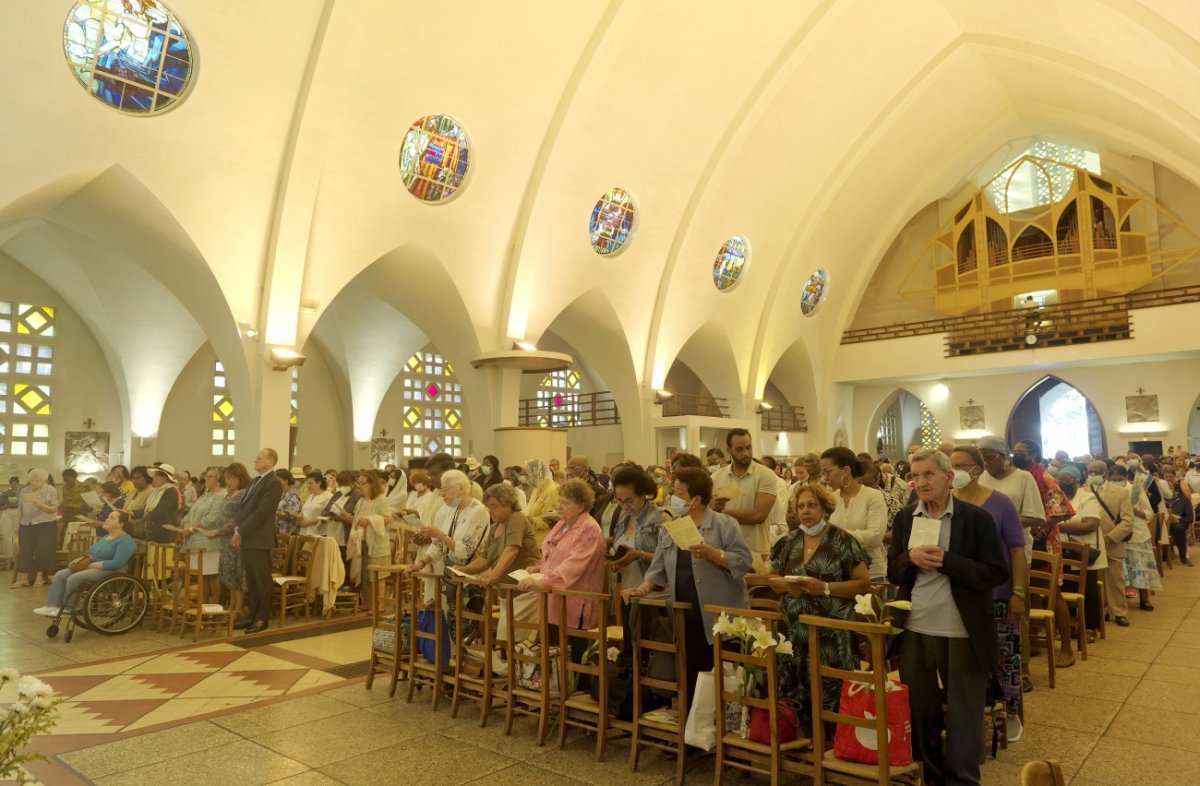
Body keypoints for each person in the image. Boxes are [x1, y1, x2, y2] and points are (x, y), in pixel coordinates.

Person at [888, 450, 1008, 786]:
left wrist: (947, 561)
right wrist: (910, 557)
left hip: (961, 627)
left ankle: (963, 779)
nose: (921, 482)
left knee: (963, 711)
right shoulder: (906, 518)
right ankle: (928, 774)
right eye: (916, 475)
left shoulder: (974, 519)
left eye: (929, 475)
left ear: (948, 478)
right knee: (921, 708)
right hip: (915, 626)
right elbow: (893, 572)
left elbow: (995, 573)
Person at [624, 468, 752, 704]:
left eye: (680, 493)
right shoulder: (672, 527)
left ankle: (724, 731)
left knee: (725, 679)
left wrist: (715, 555)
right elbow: (658, 569)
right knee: (692, 678)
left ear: (696, 499)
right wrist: (641, 589)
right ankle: (693, 733)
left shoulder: (725, 524)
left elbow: (744, 562)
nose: (674, 497)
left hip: (720, 617)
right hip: (686, 615)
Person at [766, 481, 870, 717]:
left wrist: (824, 587)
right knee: (793, 684)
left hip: (831, 631)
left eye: (811, 505)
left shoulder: (843, 540)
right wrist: (786, 586)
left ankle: (834, 738)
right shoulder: (788, 541)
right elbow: (771, 576)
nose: (805, 511)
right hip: (793, 629)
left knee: (832, 686)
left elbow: (863, 584)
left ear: (825, 508)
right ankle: (798, 735)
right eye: (800, 506)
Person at [950, 445, 1028, 742]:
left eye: (961, 465)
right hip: (957, 594)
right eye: (951, 464)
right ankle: (974, 712)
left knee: (1004, 655)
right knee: (965, 658)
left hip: (997, 591)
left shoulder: (1000, 503)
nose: (955, 470)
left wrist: (1017, 592)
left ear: (977, 469)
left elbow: (1016, 549)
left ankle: (1008, 712)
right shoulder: (944, 502)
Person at [517, 478, 607, 651]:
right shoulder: (562, 523)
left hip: (574, 601)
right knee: (553, 653)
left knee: (573, 655)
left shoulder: (588, 529)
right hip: (552, 598)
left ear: (580, 507)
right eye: (559, 501)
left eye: (564, 502)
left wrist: (544, 580)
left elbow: (573, 565)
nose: (558, 506)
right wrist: (538, 567)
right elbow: (552, 553)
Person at [33, 510, 135, 617]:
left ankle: (69, 608)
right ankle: (52, 606)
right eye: (108, 517)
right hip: (94, 568)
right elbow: (93, 554)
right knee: (60, 575)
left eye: (112, 518)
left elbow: (117, 563)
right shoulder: (106, 538)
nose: (106, 519)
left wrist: (90, 565)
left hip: (112, 572)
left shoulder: (126, 541)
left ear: (121, 524)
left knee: (75, 578)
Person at [232, 448, 284, 633]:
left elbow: (263, 512)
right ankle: (252, 616)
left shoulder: (274, 483)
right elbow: (244, 508)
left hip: (260, 539)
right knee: (251, 580)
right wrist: (238, 528)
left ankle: (262, 618)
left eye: (260, 458)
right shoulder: (255, 481)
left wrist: (242, 531)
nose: (255, 460)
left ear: (271, 461)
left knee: (262, 581)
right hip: (248, 538)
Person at [821, 447, 888, 582]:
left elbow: (875, 535)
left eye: (828, 472)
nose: (825, 478)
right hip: (838, 572)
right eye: (823, 473)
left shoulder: (873, 496)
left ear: (846, 470)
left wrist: (838, 538)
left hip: (871, 571)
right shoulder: (830, 499)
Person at [710, 428, 777, 562]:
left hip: (756, 551)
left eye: (749, 447)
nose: (746, 453)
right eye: (739, 449)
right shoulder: (716, 477)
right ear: (729, 451)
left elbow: (759, 515)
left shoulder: (765, 475)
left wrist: (721, 512)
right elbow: (710, 514)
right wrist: (713, 508)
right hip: (724, 550)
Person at [1056, 465, 1105, 637]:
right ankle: (1068, 626)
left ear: (1076, 481)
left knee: (1087, 590)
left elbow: (1090, 524)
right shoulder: (1055, 498)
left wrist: (1057, 526)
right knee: (1065, 587)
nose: (1062, 481)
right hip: (1061, 551)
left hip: (1085, 552)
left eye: (1067, 478)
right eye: (1060, 478)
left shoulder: (1087, 497)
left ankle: (1090, 627)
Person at [1084, 460, 1134, 626]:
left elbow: (1127, 521)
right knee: (1094, 579)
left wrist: (1111, 537)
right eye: (1089, 471)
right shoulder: (1082, 490)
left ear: (1104, 474)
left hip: (1112, 541)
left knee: (1115, 579)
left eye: (1095, 471)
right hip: (1090, 541)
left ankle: (1119, 612)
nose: (1092, 474)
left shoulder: (1120, 492)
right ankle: (1102, 610)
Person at [606, 466, 662, 594]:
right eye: (620, 501)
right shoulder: (623, 516)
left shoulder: (660, 518)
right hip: (626, 590)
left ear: (642, 495)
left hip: (651, 594)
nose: (624, 506)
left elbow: (670, 560)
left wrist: (640, 555)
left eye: (629, 500)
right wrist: (617, 563)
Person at [1113, 464, 1160, 611]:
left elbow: (1149, 513)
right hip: (1118, 533)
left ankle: (1144, 599)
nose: (1116, 481)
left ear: (1126, 478)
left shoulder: (1135, 489)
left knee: (1141, 565)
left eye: (1119, 479)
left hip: (1137, 533)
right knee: (1120, 569)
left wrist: (1135, 511)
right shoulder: (1109, 491)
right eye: (1113, 479)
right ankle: (1119, 600)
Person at [180, 467, 228, 605]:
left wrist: (190, 529)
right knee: (202, 576)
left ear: (219, 480)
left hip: (209, 542)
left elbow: (211, 519)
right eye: (206, 476)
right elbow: (190, 514)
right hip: (195, 541)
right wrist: (185, 527)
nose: (206, 478)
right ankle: (204, 607)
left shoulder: (221, 495)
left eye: (211, 476)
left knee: (212, 576)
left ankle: (215, 606)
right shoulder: (205, 494)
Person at [213, 463, 251, 623]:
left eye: (232, 478)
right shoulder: (230, 494)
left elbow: (237, 519)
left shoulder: (244, 494)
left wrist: (218, 531)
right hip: (224, 541)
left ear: (240, 477)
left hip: (235, 539)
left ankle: (239, 608)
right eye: (227, 478)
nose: (228, 481)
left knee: (237, 574)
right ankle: (232, 606)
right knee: (228, 574)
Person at [12, 469, 60, 588]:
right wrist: (17, 525)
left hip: (45, 524)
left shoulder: (51, 490)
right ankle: (24, 579)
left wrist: (41, 505)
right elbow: (20, 510)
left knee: (43, 551)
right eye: (32, 480)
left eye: (37, 480)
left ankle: (40, 577)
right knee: (25, 551)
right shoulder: (24, 490)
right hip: (26, 524)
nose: (34, 482)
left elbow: (54, 509)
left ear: (44, 480)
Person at [1162, 467, 1195, 565]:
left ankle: (1183, 557)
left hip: (1179, 523)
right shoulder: (1161, 499)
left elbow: (1189, 517)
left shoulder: (1183, 498)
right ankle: (1162, 555)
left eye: (1170, 488)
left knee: (1177, 528)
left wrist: (1179, 519)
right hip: (1164, 522)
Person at [522, 458, 559, 539]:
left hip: (545, 538)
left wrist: (530, 520)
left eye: (527, 475)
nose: (526, 479)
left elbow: (551, 521)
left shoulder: (551, 490)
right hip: (534, 535)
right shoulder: (538, 488)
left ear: (536, 474)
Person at [296, 471, 332, 536]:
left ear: (319, 483)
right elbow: (306, 511)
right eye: (307, 483)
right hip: (305, 532)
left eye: (310, 483)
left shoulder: (328, 496)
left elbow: (327, 517)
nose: (308, 486)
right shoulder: (310, 496)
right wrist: (300, 516)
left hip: (319, 533)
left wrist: (309, 522)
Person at [274, 469, 302, 536]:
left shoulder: (293, 495)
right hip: (276, 531)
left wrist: (277, 513)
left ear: (286, 481)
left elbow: (292, 516)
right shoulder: (278, 494)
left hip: (287, 532)